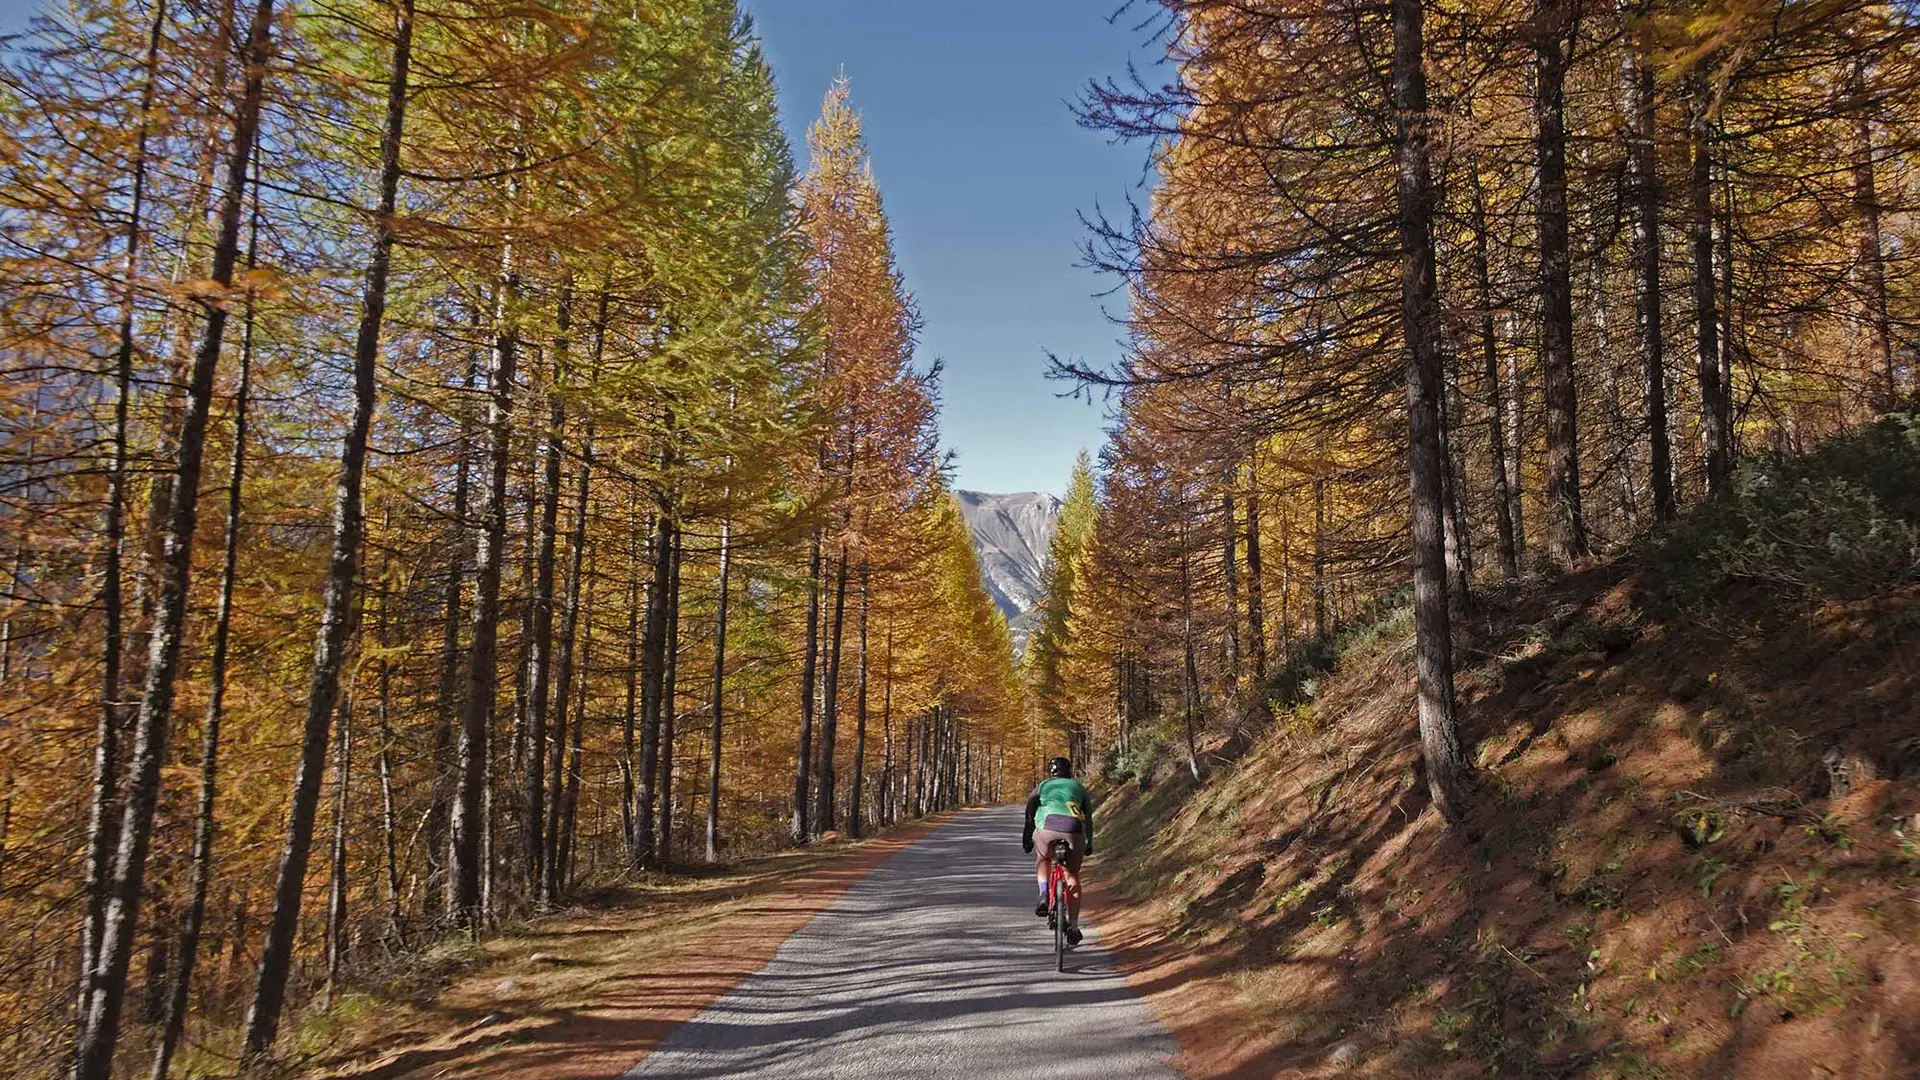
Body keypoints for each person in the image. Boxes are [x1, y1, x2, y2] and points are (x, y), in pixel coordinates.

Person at [1021, 755, 1093, 946]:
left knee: (1043, 858)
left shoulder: (1043, 786)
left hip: (1047, 828)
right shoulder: (1078, 788)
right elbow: (1088, 818)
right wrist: (1088, 842)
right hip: (1073, 830)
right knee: (1072, 875)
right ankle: (1075, 927)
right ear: (1070, 771)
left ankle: (1044, 893)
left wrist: (1027, 838)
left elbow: (1029, 814)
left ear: (1050, 772)